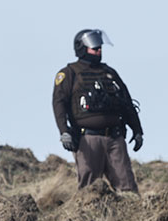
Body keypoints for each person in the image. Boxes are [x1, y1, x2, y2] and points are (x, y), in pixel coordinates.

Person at [52, 29, 143, 192]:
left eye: (100, 47)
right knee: (90, 189)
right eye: (95, 48)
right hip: (88, 139)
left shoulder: (109, 72)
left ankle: (130, 216)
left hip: (115, 137)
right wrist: (64, 131)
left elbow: (126, 103)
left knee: (127, 186)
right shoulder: (69, 73)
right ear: (82, 48)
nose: (99, 50)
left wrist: (137, 130)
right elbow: (58, 104)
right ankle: (90, 216)